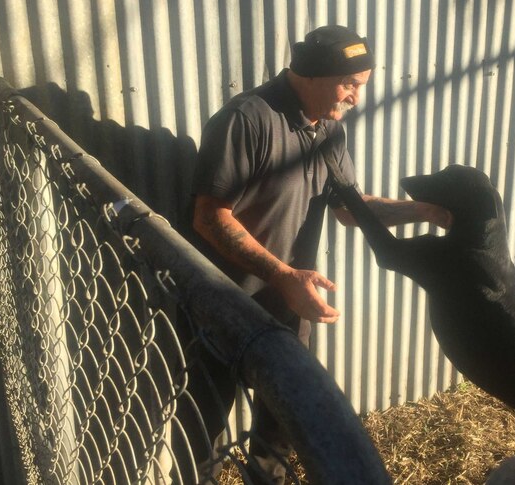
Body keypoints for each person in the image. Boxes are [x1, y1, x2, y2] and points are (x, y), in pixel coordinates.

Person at [189, 25, 451, 484]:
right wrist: (282, 274)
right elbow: (209, 217)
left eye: (362, 86)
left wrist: (425, 210)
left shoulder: (329, 130)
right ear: (310, 74)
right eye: (349, 84)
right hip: (222, 305)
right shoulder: (246, 120)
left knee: (279, 421)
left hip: (287, 305)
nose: (356, 99)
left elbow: (351, 210)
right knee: (205, 429)